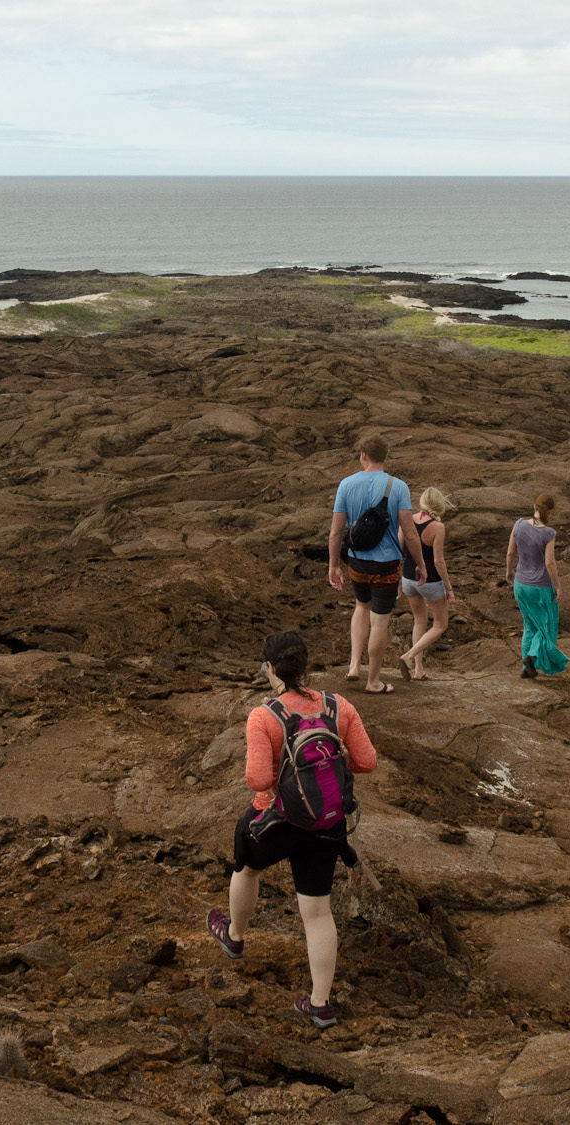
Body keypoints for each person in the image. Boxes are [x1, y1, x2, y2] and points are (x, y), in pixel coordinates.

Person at [206, 631, 379, 1030]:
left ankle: (234, 936)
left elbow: (257, 779)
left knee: (246, 869)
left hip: (278, 821)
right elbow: (367, 762)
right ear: (305, 666)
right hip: (326, 821)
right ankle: (320, 1005)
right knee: (318, 912)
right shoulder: (338, 706)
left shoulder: (264, 716)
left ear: (271, 669)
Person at [329, 434, 421, 694]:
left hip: (356, 562)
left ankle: (354, 666)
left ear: (363, 456)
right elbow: (410, 533)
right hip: (387, 566)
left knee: (360, 606)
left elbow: (336, 532)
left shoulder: (346, 485)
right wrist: (420, 564)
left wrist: (333, 565)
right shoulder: (398, 487)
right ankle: (373, 681)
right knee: (379, 622)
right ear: (385, 456)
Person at [503, 493, 569, 679]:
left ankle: (527, 669)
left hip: (520, 584)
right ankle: (532, 658)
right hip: (540, 587)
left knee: (529, 625)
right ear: (551, 511)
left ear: (534, 507)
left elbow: (510, 553)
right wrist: (558, 585)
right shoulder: (548, 533)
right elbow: (550, 563)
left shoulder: (519, 524)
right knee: (545, 625)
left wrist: (508, 572)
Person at [396, 487, 454, 681]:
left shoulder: (408, 519)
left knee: (419, 620)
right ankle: (409, 656)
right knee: (440, 624)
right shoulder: (438, 528)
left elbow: (399, 548)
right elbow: (438, 561)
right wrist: (449, 588)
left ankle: (418, 670)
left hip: (408, 579)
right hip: (430, 581)